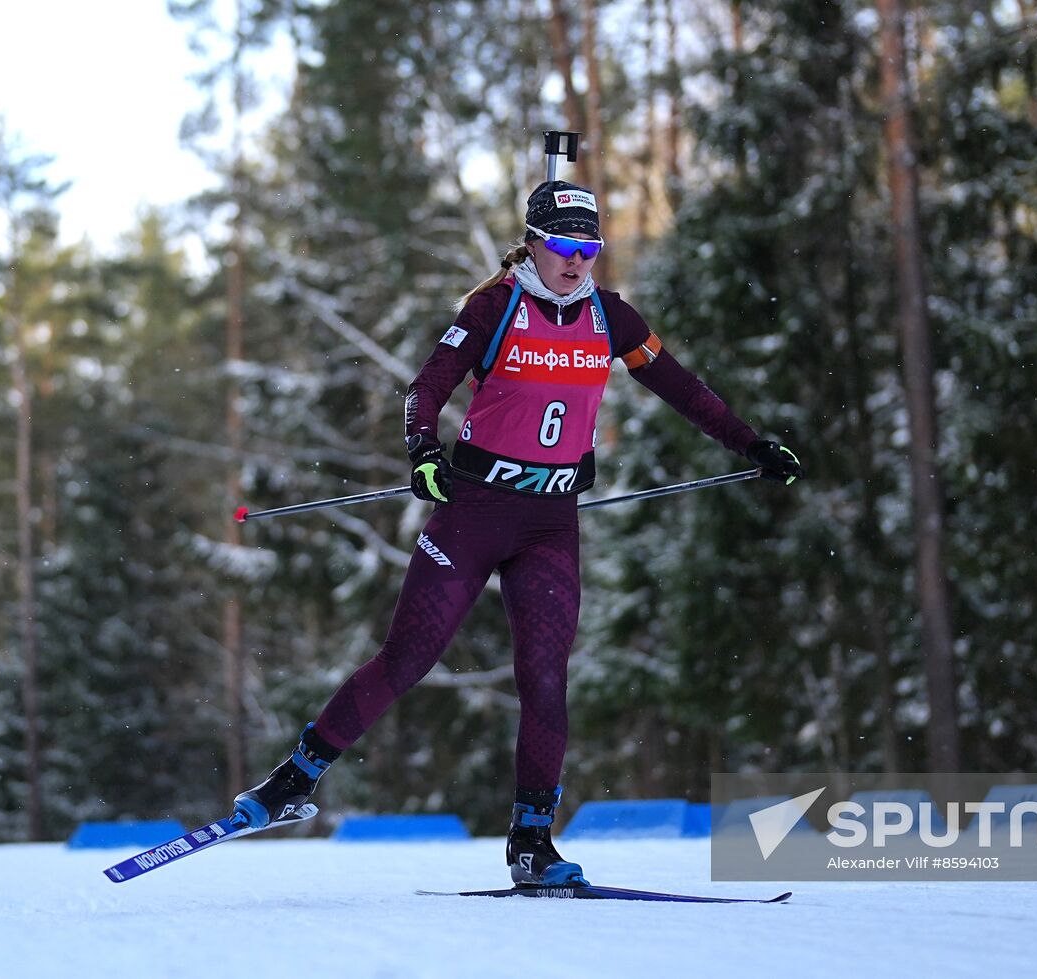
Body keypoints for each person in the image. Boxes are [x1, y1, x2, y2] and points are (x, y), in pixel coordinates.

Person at [232, 180, 804, 887]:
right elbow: (426, 388)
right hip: (473, 511)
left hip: (549, 523)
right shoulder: (494, 307)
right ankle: (293, 781)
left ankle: (532, 841)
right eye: (563, 245)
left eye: (588, 247)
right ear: (533, 241)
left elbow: (684, 390)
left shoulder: (612, 318)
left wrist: (751, 445)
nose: (576, 261)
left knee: (545, 676)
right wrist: (422, 452)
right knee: (408, 656)